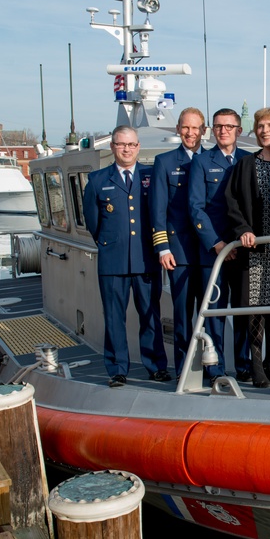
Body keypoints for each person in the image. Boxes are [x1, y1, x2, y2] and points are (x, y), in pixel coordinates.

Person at [82, 125, 170, 387]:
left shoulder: (151, 175)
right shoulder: (97, 180)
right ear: (112, 147)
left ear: (138, 146)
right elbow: (93, 222)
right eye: (121, 144)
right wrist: (112, 243)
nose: (127, 149)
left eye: (131, 144)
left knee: (150, 315)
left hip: (146, 259)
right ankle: (117, 368)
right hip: (113, 261)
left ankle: (155, 366)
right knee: (114, 317)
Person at [225, 107, 270, 388]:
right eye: (260, 126)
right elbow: (231, 202)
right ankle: (256, 365)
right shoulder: (245, 164)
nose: (265, 130)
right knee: (254, 307)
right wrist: (243, 230)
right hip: (255, 249)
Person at [188, 108, 252, 382]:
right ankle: (214, 367)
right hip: (214, 250)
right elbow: (196, 207)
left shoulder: (249, 160)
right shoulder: (202, 162)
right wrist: (216, 243)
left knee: (243, 309)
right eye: (218, 126)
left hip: (245, 248)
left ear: (239, 129)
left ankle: (245, 364)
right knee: (215, 310)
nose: (223, 130)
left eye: (228, 126)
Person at [150, 107, 206, 377]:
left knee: (209, 312)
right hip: (179, 250)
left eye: (195, 128)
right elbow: (157, 209)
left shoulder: (212, 159)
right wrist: (163, 247)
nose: (190, 133)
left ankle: (211, 366)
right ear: (178, 129)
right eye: (185, 127)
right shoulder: (165, 162)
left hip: (209, 251)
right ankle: (185, 368)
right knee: (183, 314)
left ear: (203, 130)